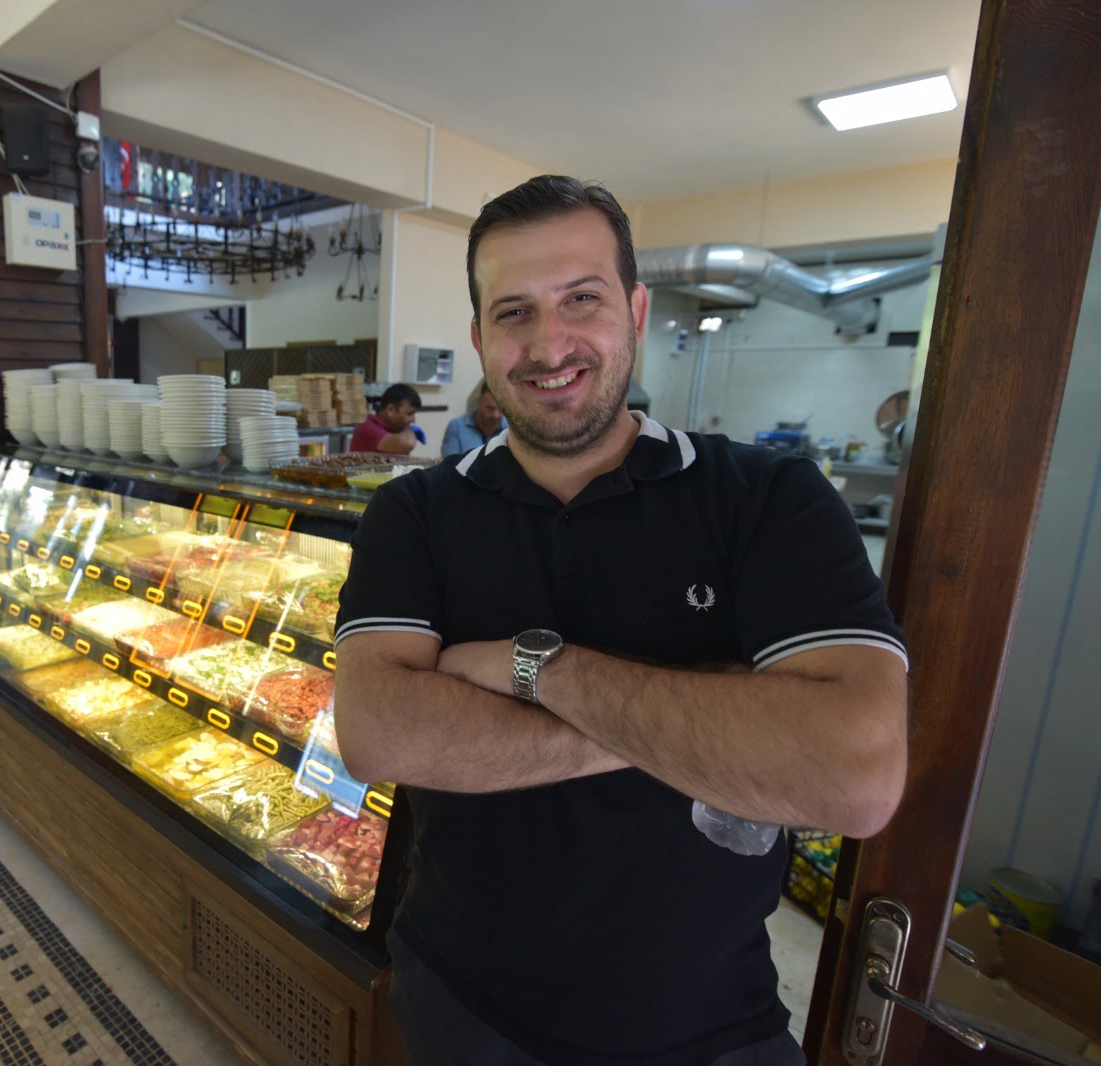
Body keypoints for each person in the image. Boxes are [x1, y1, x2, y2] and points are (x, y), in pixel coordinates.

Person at [333, 175, 907, 1066]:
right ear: (482, 338)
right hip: (459, 1006)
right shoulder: (415, 514)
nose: (548, 342)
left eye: (582, 300)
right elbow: (377, 732)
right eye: (514, 312)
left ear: (636, 310)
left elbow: (854, 775)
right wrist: (712, 713)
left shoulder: (766, 498)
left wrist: (541, 670)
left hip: (710, 1026)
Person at [439, 380, 507, 457]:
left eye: (501, 409)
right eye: (490, 408)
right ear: (479, 402)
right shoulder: (457, 427)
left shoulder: (510, 429)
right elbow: (449, 466)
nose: (496, 415)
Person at [350, 382, 423, 455]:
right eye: (409, 413)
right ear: (391, 410)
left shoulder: (395, 429)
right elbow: (407, 443)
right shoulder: (367, 427)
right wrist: (409, 428)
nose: (413, 420)